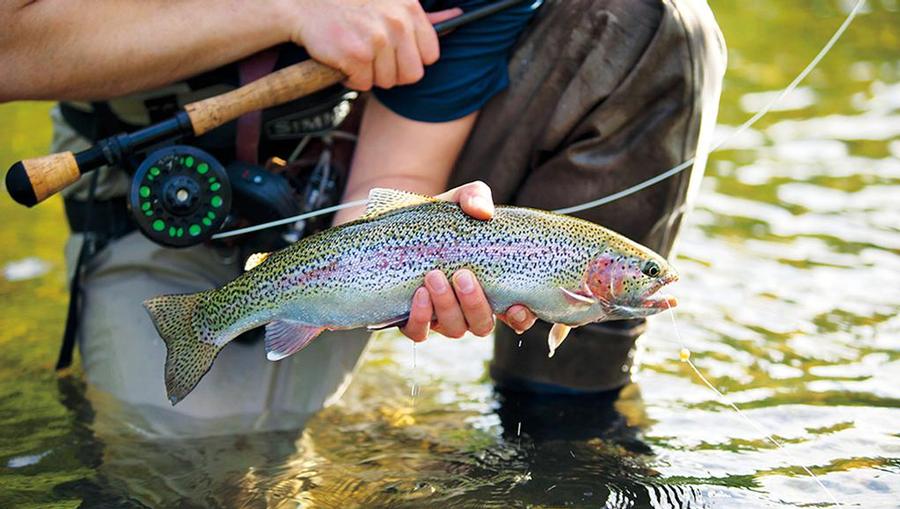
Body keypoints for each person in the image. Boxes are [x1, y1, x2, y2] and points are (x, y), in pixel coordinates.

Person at [0, 0, 726, 436]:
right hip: (162, 180)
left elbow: (394, 179)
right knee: (185, 461)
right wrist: (290, 9)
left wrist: (418, 242)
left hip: (346, 186)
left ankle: (562, 430)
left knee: (655, 18)